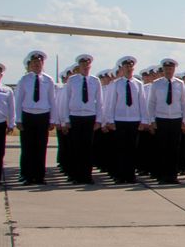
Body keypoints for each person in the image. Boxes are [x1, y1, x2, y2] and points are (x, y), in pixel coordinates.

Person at [59, 54, 103, 184]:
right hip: (75, 117)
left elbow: (100, 102)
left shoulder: (95, 81)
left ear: (90, 66)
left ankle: (87, 176)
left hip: (89, 117)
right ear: (79, 66)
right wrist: (66, 120)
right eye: (83, 64)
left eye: (87, 64)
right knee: (76, 148)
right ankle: (76, 176)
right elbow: (66, 100)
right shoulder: (72, 80)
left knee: (88, 148)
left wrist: (99, 120)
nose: (85, 66)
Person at [15, 50, 56, 185]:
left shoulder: (48, 80)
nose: (36, 65)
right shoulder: (24, 80)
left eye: (39, 62)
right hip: (28, 115)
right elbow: (18, 100)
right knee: (27, 147)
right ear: (30, 65)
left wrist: (52, 120)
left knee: (41, 147)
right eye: (34, 63)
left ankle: (39, 176)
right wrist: (18, 119)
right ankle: (27, 175)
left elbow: (52, 100)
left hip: (43, 116)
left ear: (42, 64)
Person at [101, 56, 145, 183]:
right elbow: (111, 103)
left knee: (132, 149)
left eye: (131, 66)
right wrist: (110, 120)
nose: (129, 69)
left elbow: (142, 103)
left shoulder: (138, 84)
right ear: (122, 68)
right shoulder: (116, 84)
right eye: (126, 66)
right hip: (120, 120)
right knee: (120, 149)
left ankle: (130, 175)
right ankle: (120, 176)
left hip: (134, 119)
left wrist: (144, 120)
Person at [145, 58, 185, 184]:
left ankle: (173, 176)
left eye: (171, 69)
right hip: (161, 119)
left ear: (174, 70)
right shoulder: (156, 84)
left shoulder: (180, 84)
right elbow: (151, 103)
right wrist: (152, 120)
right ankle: (162, 176)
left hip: (176, 119)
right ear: (163, 70)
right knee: (162, 149)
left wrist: (184, 120)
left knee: (174, 149)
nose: (169, 71)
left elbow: (184, 103)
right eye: (166, 69)